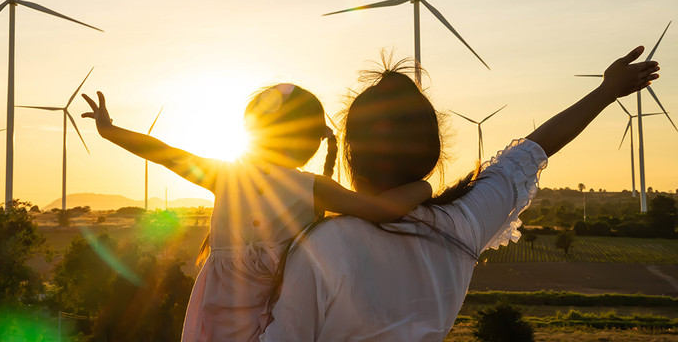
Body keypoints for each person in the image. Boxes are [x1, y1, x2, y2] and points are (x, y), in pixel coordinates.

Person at [261, 46, 660, 341]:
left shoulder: (322, 247)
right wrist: (607, 90)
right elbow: (534, 150)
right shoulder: (460, 225)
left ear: (351, 153)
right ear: (431, 152)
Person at [81, 83, 434, 342]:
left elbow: (163, 152)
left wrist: (109, 131)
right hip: (274, 314)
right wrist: (424, 188)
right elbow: (378, 210)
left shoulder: (226, 175)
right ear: (310, 142)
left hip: (219, 310)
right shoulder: (311, 187)